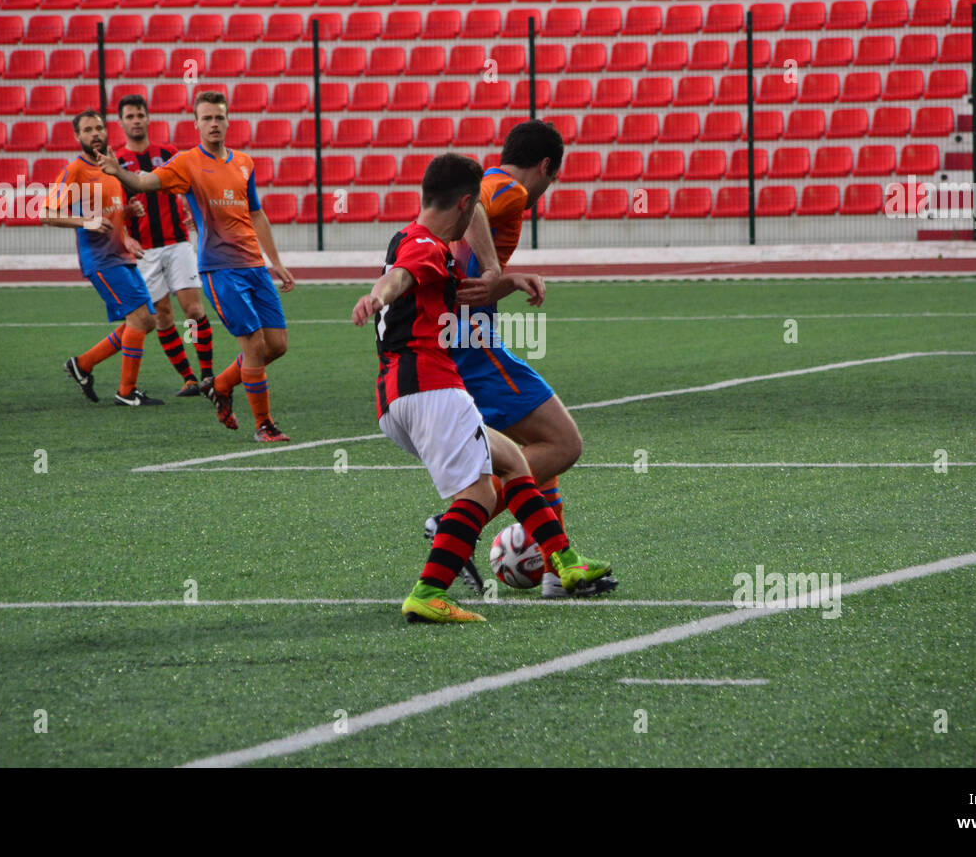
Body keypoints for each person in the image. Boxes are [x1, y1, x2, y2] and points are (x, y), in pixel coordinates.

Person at [352, 153, 612, 623]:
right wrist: (377, 295)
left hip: (400, 395)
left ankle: (567, 564)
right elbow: (402, 276)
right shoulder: (427, 245)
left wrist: (505, 280)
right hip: (429, 388)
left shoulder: (406, 237)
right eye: (474, 213)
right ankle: (429, 591)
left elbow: (427, 283)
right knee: (479, 494)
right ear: (466, 204)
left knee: (512, 462)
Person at [435, 120, 604, 597]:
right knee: (563, 444)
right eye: (553, 179)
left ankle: (556, 568)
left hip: (461, 336)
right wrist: (494, 270)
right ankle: (454, 524)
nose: (548, 189)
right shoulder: (505, 187)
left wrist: (500, 280)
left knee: (530, 456)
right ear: (546, 166)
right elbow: (472, 207)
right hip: (472, 342)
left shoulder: (496, 185)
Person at [97, 90, 295, 442]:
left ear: (228, 120)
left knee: (277, 345)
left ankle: (218, 385)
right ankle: (263, 425)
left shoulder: (244, 162)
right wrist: (119, 173)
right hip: (220, 269)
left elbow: (256, 213)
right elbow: (144, 182)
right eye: (207, 118)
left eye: (219, 117)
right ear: (197, 124)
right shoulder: (187, 162)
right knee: (252, 343)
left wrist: (274, 262)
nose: (214, 123)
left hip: (254, 266)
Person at [45, 109, 162, 407]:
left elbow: (110, 214)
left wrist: (128, 216)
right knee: (139, 318)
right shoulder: (75, 171)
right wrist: (87, 222)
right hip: (101, 260)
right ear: (77, 136)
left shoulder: (110, 168)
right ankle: (126, 392)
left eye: (98, 128)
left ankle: (82, 364)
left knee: (147, 321)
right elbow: (46, 213)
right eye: (87, 130)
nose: (95, 133)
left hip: (121, 255)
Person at [114, 94, 214, 397]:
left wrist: (193, 211)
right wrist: (125, 233)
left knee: (194, 309)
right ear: (121, 122)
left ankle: (208, 374)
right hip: (144, 250)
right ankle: (188, 378)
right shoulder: (116, 162)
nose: (136, 121)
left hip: (178, 243)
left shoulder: (169, 153)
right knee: (163, 316)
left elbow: (190, 186)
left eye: (140, 115)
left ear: (148, 118)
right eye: (130, 116)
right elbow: (111, 206)